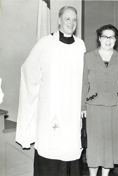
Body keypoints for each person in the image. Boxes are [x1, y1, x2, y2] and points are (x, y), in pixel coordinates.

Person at [16, 6, 86, 176]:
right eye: (67, 19)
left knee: (69, 147)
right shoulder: (45, 43)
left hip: (72, 107)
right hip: (50, 107)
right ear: (59, 20)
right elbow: (28, 70)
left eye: (74, 19)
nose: (71, 22)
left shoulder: (80, 45)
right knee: (50, 147)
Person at [81, 24, 118, 176]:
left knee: (110, 143)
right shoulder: (88, 57)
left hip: (114, 106)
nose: (108, 40)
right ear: (99, 38)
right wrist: (82, 107)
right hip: (94, 105)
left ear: (115, 40)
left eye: (111, 37)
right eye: (105, 36)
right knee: (94, 144)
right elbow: (84, 83)